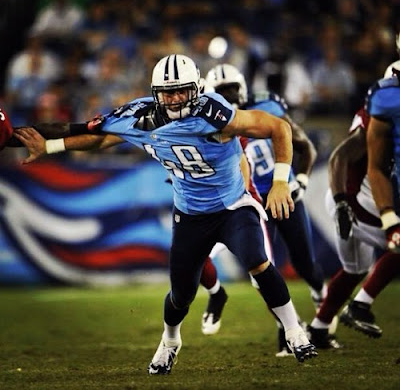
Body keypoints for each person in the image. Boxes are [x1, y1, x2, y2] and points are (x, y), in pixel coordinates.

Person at [13, 54, 317, 374]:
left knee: (257, 260)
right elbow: (98, 136)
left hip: (233, 206)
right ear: (156, 93)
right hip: (190, 215)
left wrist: (280, 182)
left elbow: (279, 127)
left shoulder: (214, 112)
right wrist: (45, 146)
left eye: (182, 91)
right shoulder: (140, 116)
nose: (174, 99)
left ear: (196, 89)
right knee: (182, 294)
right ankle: (170, 341)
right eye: (167, 92)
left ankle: (294, 332)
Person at [205, 63, 328, 355]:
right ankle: (288, 328)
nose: (229, 95)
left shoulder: (266, 107)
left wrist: (300, 180)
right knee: (260, 269)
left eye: (232, 88)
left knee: (305, 263)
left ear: (243, 88)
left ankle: (322, 302)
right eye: (222, 90)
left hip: (284, 196)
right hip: (252, 204)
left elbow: (304, 146)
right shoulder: (207, 124)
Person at [308, 61, 400, 346]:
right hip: (354, 201)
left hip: (363, 201)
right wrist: (341, 202)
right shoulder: (377, 116)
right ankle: (359, 305)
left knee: (355, 270)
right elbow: (340, 157)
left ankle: (318, 329)